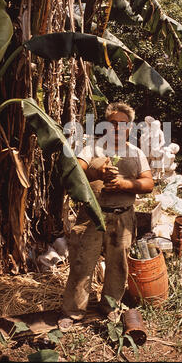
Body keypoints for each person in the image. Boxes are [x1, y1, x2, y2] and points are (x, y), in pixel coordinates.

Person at [58, 102, 154, 330]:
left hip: (122, 218)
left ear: (130, 127)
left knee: (117, 266)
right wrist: (96, 171)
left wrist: (125, 184)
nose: (118, 128)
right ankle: (73, 312)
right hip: (92, 216)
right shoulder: (93, 149)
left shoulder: (136, 152)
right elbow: (74, 169)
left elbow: (149, 183)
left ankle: (110, 307)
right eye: (112, 123)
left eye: (123, 124)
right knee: (82, 264)